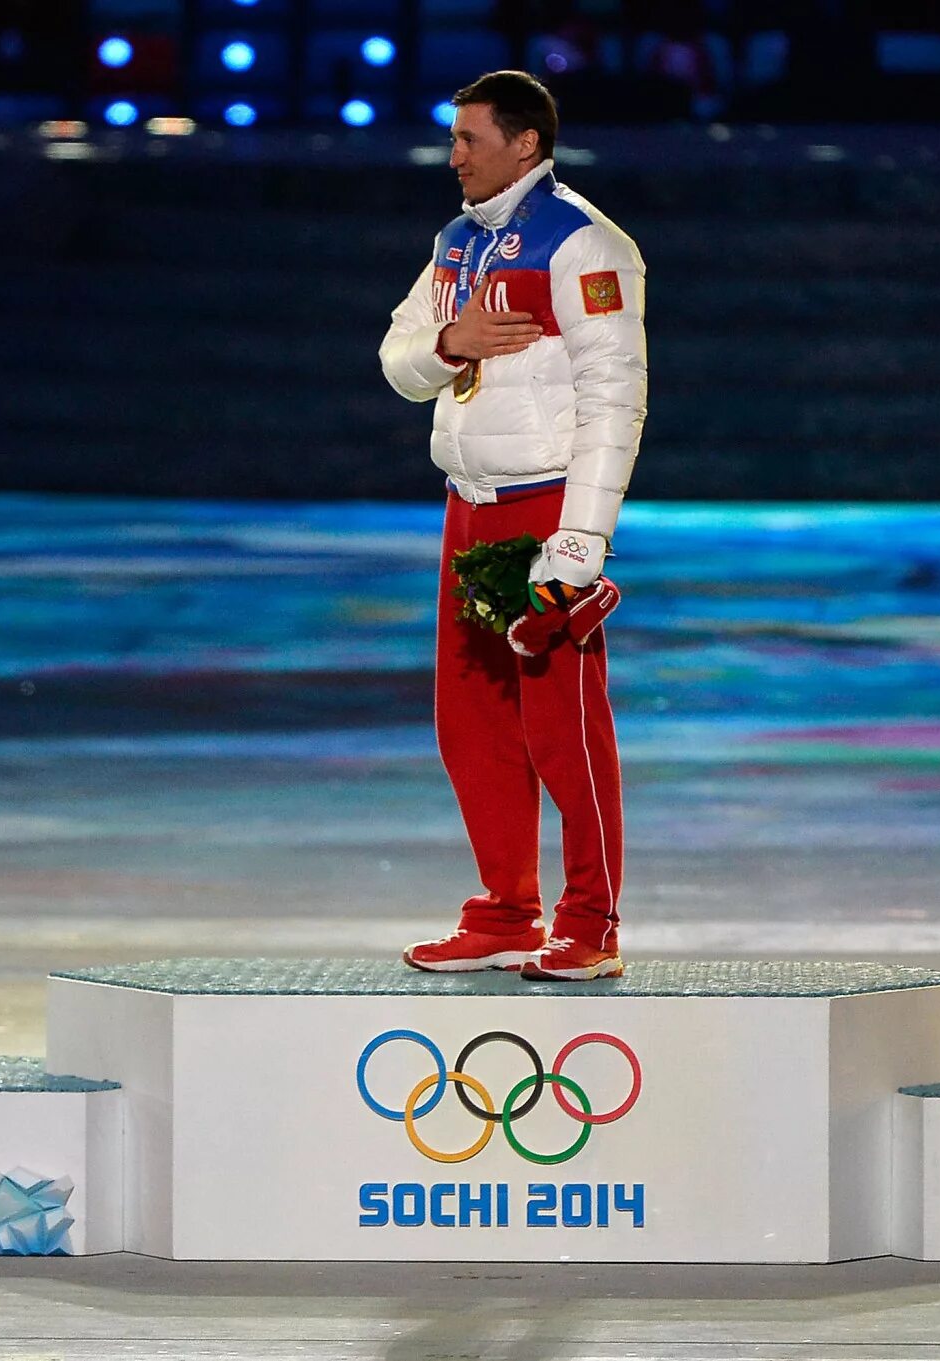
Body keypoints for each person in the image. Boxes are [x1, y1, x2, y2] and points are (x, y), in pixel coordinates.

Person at [379, 70, 648, 981]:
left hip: (543, 511)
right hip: (469, 505)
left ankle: (590, 920)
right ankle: (504, 908)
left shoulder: (585, 244)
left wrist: (580, 541)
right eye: (453, 140)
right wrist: (448, 344)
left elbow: (618, 398)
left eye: (469, 140)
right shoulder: (457, 241)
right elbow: (397, 355)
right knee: (474, 723)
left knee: (561, 729)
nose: (453, 156)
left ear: (525, 142)